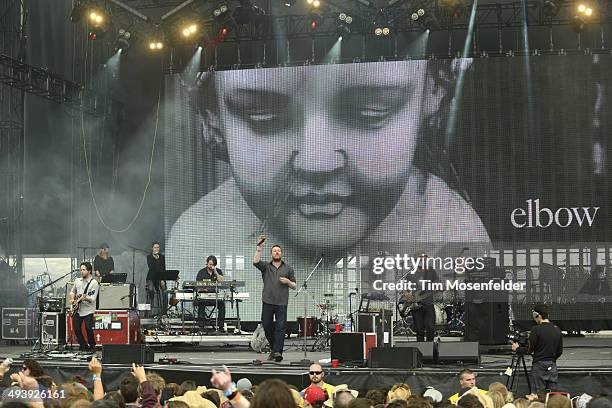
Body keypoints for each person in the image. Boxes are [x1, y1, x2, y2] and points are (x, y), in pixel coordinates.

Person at [166, 62, 491, 296]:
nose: (316, 161)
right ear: (211, 117)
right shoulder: (194, 239)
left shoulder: (456, 234)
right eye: (263, 116)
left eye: (372, 111)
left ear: (433, 93)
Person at [253, 235, 296, 362]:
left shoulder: (288, 268)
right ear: (271, 254)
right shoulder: (266, 266)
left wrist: (288, 281)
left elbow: (294, 285)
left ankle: (278, 352)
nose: (277, 252)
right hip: (268, 301)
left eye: (278, 251)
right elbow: (255, 262)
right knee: (266, 325)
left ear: (281, 253)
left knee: (281, 328)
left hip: (282, 302)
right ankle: (273, 348)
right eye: (274, 251)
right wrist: (259, 247)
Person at [511, 304, 563, 393]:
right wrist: (551, 359)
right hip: (552, 366)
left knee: (538, 395)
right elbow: (559, 351)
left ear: (537, 315)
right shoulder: (557, 329)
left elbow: (529, 350)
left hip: (539, 366)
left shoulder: (536, 329)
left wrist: (517, 348)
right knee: (552, 395)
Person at [401, 254, 439, 342]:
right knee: (419, 330)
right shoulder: (410, 274)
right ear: (415, 261)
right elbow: (405, 288)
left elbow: (437, 283)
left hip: (429, 304)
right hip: (415, 305)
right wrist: (407, 294)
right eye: (420, 259)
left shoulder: (431, 271)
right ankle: (421, 351)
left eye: (424, 259)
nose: (422, 261)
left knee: (430, 328)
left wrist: (439, 287)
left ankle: (430, 348)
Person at [69, 261, 100, 352]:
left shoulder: (94, 283)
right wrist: (72, 299)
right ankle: (83, 346)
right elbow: (72, 291)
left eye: (84, 270)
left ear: (89, 271)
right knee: (76, 328)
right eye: (80, 270)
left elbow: (93, 298)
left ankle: (92, 345)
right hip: (78, 309)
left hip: (88, 310)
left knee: (88, 328)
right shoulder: (77, 280)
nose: (81, 271)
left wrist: (85, 297)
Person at [195, 255, 226, 332]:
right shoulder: (201, 272)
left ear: (215, 265)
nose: (210, 266)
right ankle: (201, 326)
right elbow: (197, 286)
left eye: (212, 265)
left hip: (215, 296)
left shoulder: (218, 271)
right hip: (204, 296)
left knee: (222, 305)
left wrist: (215, 272)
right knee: (201, 304)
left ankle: (220, 326)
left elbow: (221, 281)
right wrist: (202, 289)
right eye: (209, 264)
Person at [146, 242, 167, 316]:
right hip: (151, 277)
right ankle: (151, 310)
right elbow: (152, 267)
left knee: (164, 291)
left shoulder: (162, 257)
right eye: (155, 247)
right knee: (151, 290)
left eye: (158, 247)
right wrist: (156, 259)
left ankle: (163, 312)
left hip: (160, 277)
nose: (156, 249)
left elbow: (163, 269)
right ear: (152, 248)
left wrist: (162, 279)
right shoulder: (149, 257)